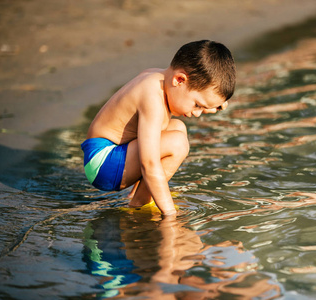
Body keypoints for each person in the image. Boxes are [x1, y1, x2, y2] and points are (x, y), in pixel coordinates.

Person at [81, 40, 236, 215]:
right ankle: (138, 204)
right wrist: (170, 215)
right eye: (197, 105)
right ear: (179, 80)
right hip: (102, 165)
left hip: (107, 156)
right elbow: (149, 163)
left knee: (178, 128)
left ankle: (135, 196)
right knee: (177, 143)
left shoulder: (157, 77)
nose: (198, 114)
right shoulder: (152, 99)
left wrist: (213, 104)